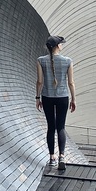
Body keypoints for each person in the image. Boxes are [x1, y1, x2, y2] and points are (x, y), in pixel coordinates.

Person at [36, 35, 76, 171]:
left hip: (47, 97)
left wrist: (37, 98)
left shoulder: (41, 61)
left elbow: (40, 81)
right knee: (61, 127)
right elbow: (71, 82)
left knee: (51, 127)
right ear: (58, 46)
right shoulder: (68, 61)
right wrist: (73, 99)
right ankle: (62, 157)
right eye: (61, 44)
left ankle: (52, 158)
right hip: (63, 97)